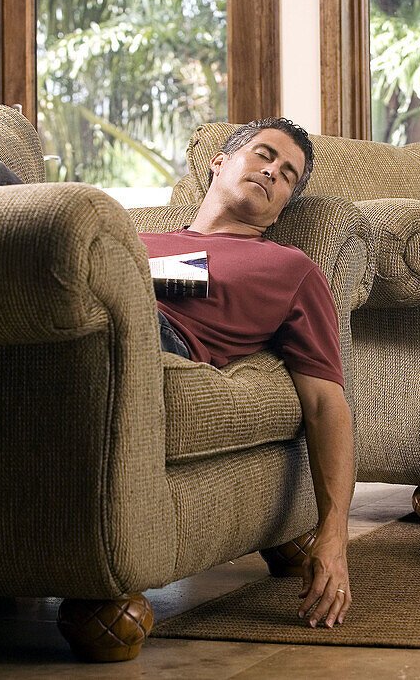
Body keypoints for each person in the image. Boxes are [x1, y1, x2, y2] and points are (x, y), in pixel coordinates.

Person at [138, 118, 354, 628]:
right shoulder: (141, 241)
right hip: (72, 305)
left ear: (281, 207)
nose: (272, 172)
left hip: (151, 337)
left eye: (287, 175)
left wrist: (334, 536)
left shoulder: (287, 268)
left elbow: (326, 404)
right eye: (263, 155)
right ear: (219, 163)